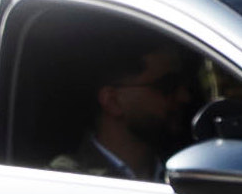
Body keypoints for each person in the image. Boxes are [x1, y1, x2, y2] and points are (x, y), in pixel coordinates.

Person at [55, 37, 204, 179]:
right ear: (113, 101)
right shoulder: (69, 179)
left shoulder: (191, 170)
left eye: (184, 84)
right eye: (168, 85)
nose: (184, 96)